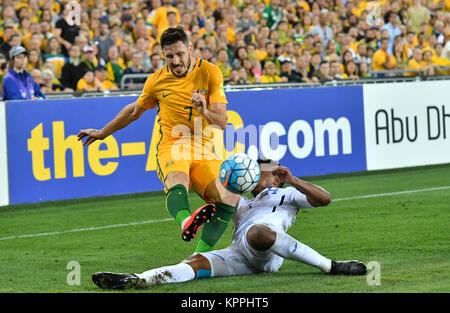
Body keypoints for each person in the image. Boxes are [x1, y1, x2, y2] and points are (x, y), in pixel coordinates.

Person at [77, 27, 241, 253]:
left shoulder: (210, 72)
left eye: (180, 54)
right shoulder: (156, 81)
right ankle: (186, 221)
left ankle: (199, 256)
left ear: (190, 50)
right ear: (163, 55)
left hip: (203, 149)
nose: (175, 61)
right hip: (172, 145)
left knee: (229, 198)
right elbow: (135, 111)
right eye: (169, 56)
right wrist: (103, 132)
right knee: (178, 180)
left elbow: (221, 123)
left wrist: (204, 109)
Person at [92, 159, 367, 290]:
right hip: (239, 254)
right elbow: (216, 194)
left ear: (276, 178)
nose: (257, 174)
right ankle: (139, 279)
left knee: (257, 232)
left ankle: (330, 266)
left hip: (266, 250)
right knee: (195, 262)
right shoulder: (241, 202)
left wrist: (293, 180)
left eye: (264, 171)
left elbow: (325, 199)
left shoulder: (285, 194)